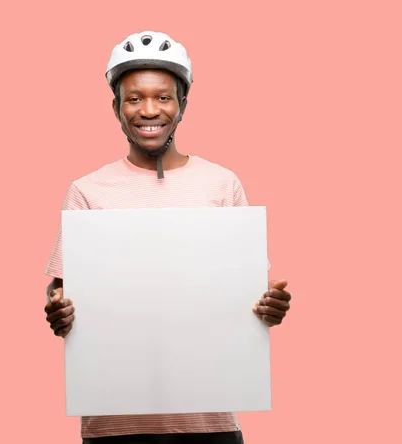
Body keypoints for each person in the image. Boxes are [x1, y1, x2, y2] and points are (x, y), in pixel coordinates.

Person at [43, 30, 292, 444]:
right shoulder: (87, 190)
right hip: (112, 425)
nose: (148, 110)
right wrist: (58, 311)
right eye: (134, 98)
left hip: (207, 423)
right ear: (116, 107)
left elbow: (247, 289)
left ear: (182, 106)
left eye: (163, 96)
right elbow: (61, 291)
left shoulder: (221, 184)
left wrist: (270, 306)